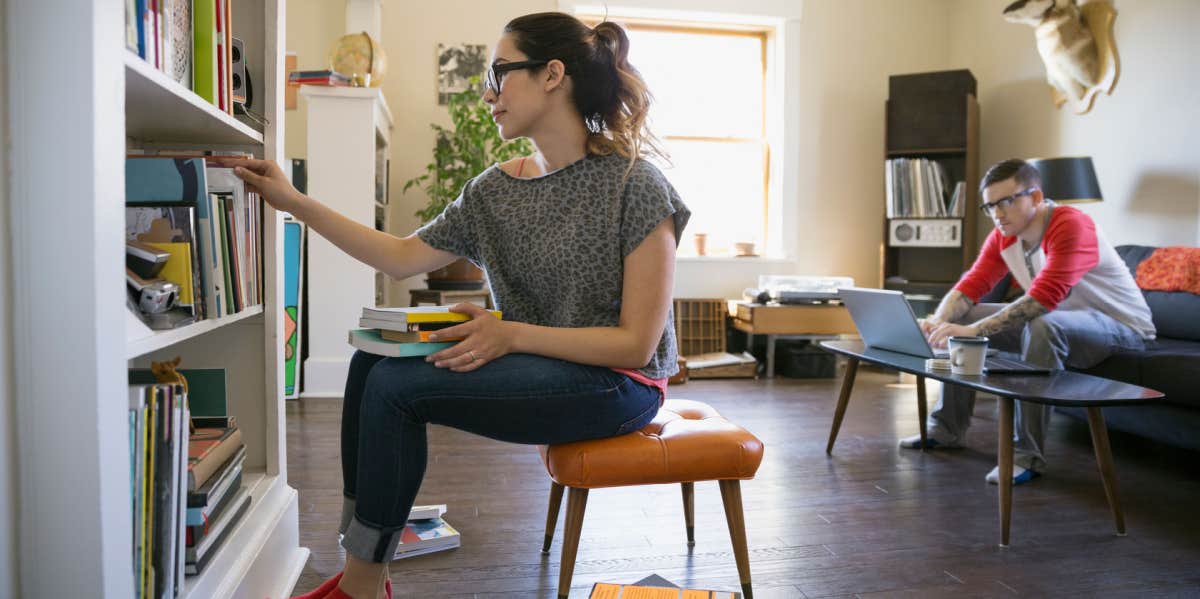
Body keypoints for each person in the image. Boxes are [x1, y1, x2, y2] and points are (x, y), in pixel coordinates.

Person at [224, 13, 689, 599]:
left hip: (620, 386)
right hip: (545, 363)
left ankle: (362, 587)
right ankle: (364, 565)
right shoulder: (494, 190)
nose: (489, 93)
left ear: (552, 75)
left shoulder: (635, 186)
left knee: (398, 389)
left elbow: (636, 346)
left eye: (500, 73)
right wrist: (293, 200)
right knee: (372, 363)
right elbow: (397, 257)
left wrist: (511, 333)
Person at [906, 158, 1154, 485]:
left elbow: (1042, 299)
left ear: (1036, 198)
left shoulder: (1071, 225)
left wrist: (972, 331)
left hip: (1120, 327)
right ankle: (946, 428)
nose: (997, 213)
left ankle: (1025, 456)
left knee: (1042, 325)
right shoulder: (1004, 234)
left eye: (1006, 202)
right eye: (990, 205)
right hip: (1062, 320)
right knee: (961, 314)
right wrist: (937, 321)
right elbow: (972, 284)